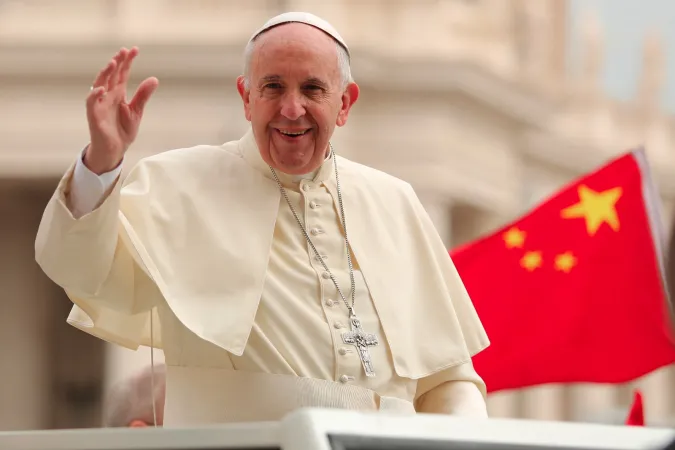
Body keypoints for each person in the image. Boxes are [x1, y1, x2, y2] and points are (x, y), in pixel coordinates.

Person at [35, 11, 490, 425]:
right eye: (273, 87)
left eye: (312, 88)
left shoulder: (396, 202)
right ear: (246, 97)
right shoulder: (178, 184)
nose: (292, 109)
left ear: (345, 102)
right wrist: (102, 162)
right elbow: (79, 269)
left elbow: (448, 381)